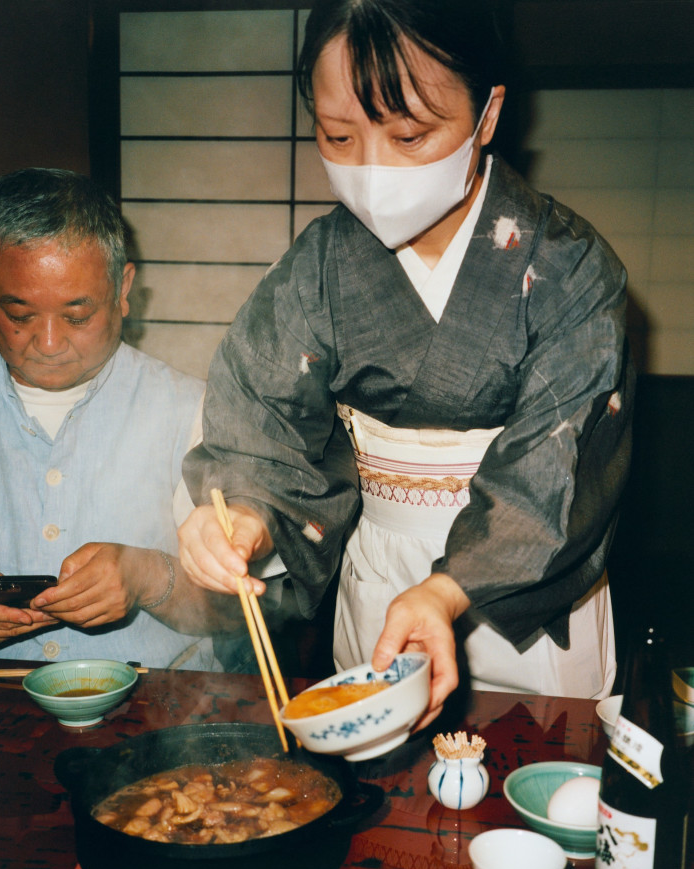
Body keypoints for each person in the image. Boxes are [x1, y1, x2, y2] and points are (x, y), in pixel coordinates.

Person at [178, 0, 635, 723]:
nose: (372, 169)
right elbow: (260, 423)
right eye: (338, 135)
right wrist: (243, 518)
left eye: (410, 134)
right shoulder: (321, 268)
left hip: (523, 601)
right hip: (380, 577)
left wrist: (446, 590)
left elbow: (560, 470)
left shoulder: (568, 269)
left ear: (486, 116)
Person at [0, 166, 247, 670]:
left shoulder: (191, 413)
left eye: (77, 315)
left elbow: (241, 612)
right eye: (19, 315)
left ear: (123, 287)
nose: (47, 343)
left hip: (157, 708)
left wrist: (149, 579)